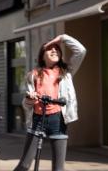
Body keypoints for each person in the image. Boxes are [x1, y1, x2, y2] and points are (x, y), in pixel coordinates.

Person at [13, 34, 86, 171]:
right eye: (49, 49)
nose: (54, 50)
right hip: (37, 119)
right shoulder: (33, 75)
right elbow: (26, 104)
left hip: (58, 120)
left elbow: (81, 51)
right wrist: (29, 100)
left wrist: (63, 38)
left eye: (57, 49)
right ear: (42, 55)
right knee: (24, 165)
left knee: (58, 168)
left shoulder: (66, 72)